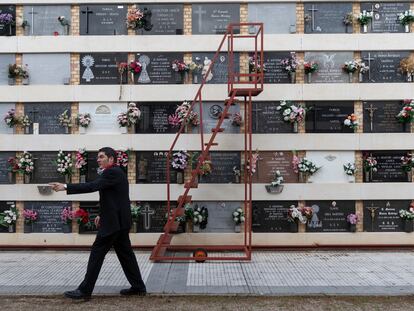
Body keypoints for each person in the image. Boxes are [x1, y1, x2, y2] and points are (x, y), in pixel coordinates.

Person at [49, 147, 146, 300]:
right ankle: (138, 287)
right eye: (98, 157)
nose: (98, 160)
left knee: (97, 253)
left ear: (111, 159)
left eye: (101, 157)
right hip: (119, 222)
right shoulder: (117, 172)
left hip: (113, 224)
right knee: (126, 255)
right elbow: (114, 198)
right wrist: (102, 214)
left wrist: (65, 186)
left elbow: (92, 186)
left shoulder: (112, 172)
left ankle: (85, 290)